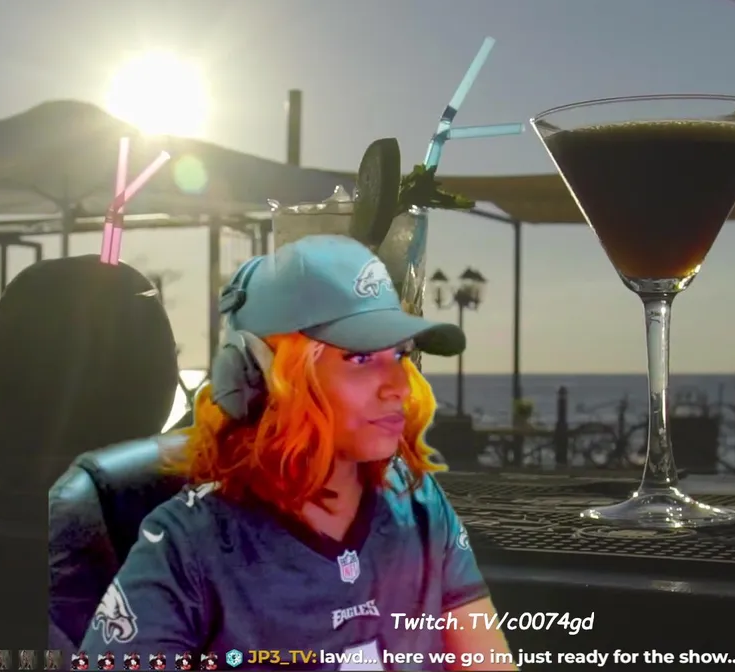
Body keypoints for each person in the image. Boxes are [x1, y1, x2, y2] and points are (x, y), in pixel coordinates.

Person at [79, 235, 515, 671]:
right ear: (255, 375)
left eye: (400, 354)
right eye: (360, 359)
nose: (400, 387)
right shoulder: (188, 545)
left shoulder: (420, 502)